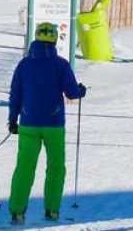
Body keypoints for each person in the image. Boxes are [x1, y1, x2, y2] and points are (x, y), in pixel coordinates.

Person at [7, 22, 87, 225]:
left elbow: (15, 93)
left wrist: (12, 119)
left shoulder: (24, 64)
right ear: (54, 39)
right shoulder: (60, 64)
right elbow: (71, 92)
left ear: (35, 38)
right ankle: (51, 210)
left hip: (28, 122)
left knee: (24, 168)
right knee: (55, 167)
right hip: (54, 124)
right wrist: (81, 90)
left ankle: (17, 212)